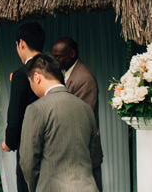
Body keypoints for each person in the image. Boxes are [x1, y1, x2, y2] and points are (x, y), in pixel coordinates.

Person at [19, 54, 99, 192]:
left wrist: (36, 188)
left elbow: (28, 161)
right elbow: (91, 150)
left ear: (37, 78)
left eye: (30, 81)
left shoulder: (36, 109)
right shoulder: (85, 108)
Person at [51, 36, 103, 189]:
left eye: (58, 57)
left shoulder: (84, 78)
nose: (55, 61)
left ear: (72, 54)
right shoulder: (66, 73)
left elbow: (81, 117)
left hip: (84, 149)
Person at [2, 22, 45, 192]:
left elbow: (15, 115)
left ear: (21, 44)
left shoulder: (22, 74)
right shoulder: (54, 69)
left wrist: (9, 142)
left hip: (29, 144)